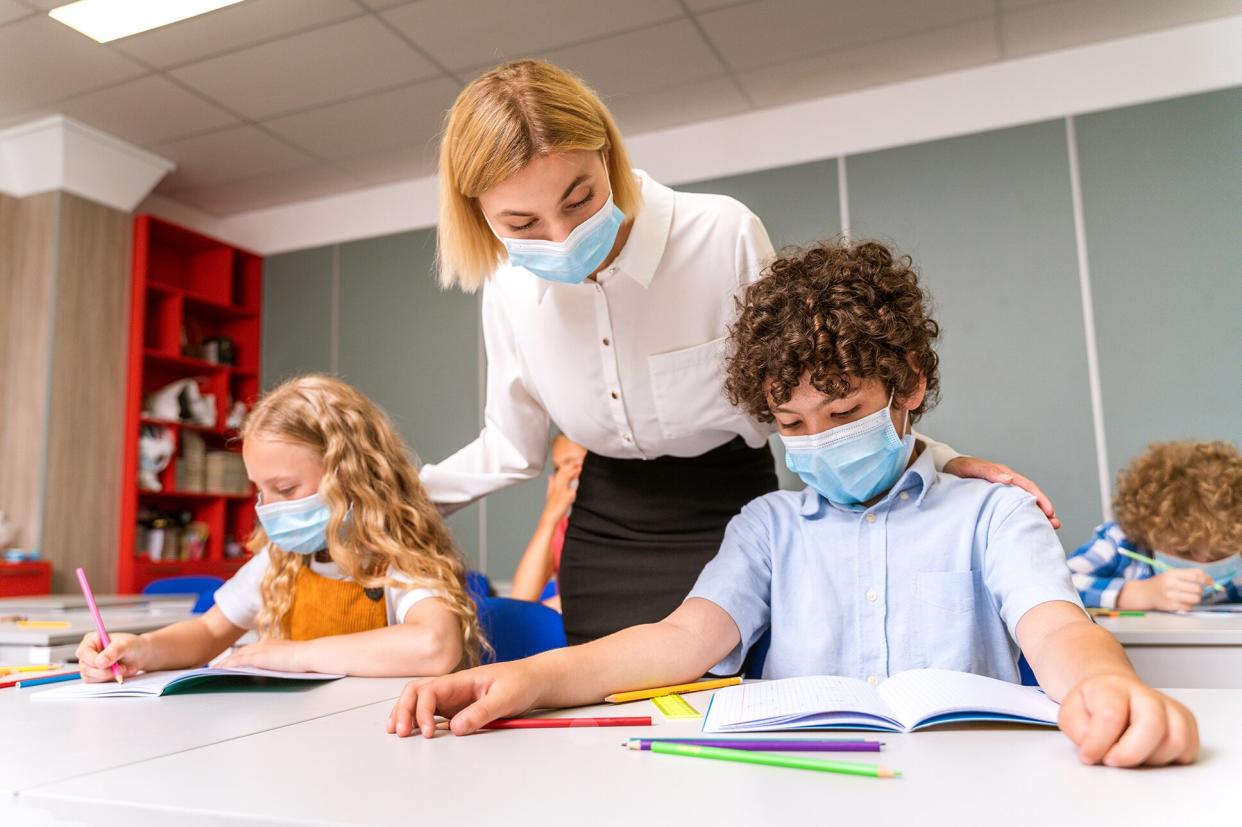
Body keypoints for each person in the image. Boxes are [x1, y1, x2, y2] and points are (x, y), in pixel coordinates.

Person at [387, 241, 1197, 769]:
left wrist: (1105, 686)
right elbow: (675, 641)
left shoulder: (992, 512)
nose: (820, 440)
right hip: (801, 789)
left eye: (844, 413)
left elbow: (1057, 627)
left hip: (963, 791)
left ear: (909, 383)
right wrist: (522, 680)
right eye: (792, 425)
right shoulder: (767, 526)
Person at [421, 58, 1059, 644]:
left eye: (580, 198)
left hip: (729, 506)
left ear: (608, 159)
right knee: (608, 705)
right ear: (478, 216)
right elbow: (510, 448)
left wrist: (935, 460)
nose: (561, 237)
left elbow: (805, 385)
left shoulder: (718, 234)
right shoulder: (505, 289)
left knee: (733, 694)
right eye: (522, 225)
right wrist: (379, 503)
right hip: (608, 522)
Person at [77, 375, 482, 681]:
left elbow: (435, 645)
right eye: (261, 490)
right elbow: (207, 630)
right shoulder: (282, 559)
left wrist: (296, 655)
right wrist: (142, 649)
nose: (268, 508)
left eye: (285, 489)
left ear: (351, 475)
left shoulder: (396, 555)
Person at [1068, 440, 1242, 611]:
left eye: (1220, 554)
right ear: (1150, 529)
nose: (1202, 563)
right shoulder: (1121, 542)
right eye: (1184, 551)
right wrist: (1138, 594)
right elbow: (1057, 584)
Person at [510, 434, 586, 611]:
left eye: (573, 463)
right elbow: (521, 598)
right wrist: (549, 518)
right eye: (558, 468)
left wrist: (549, 607)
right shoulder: (564, 529)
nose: (563, 476)